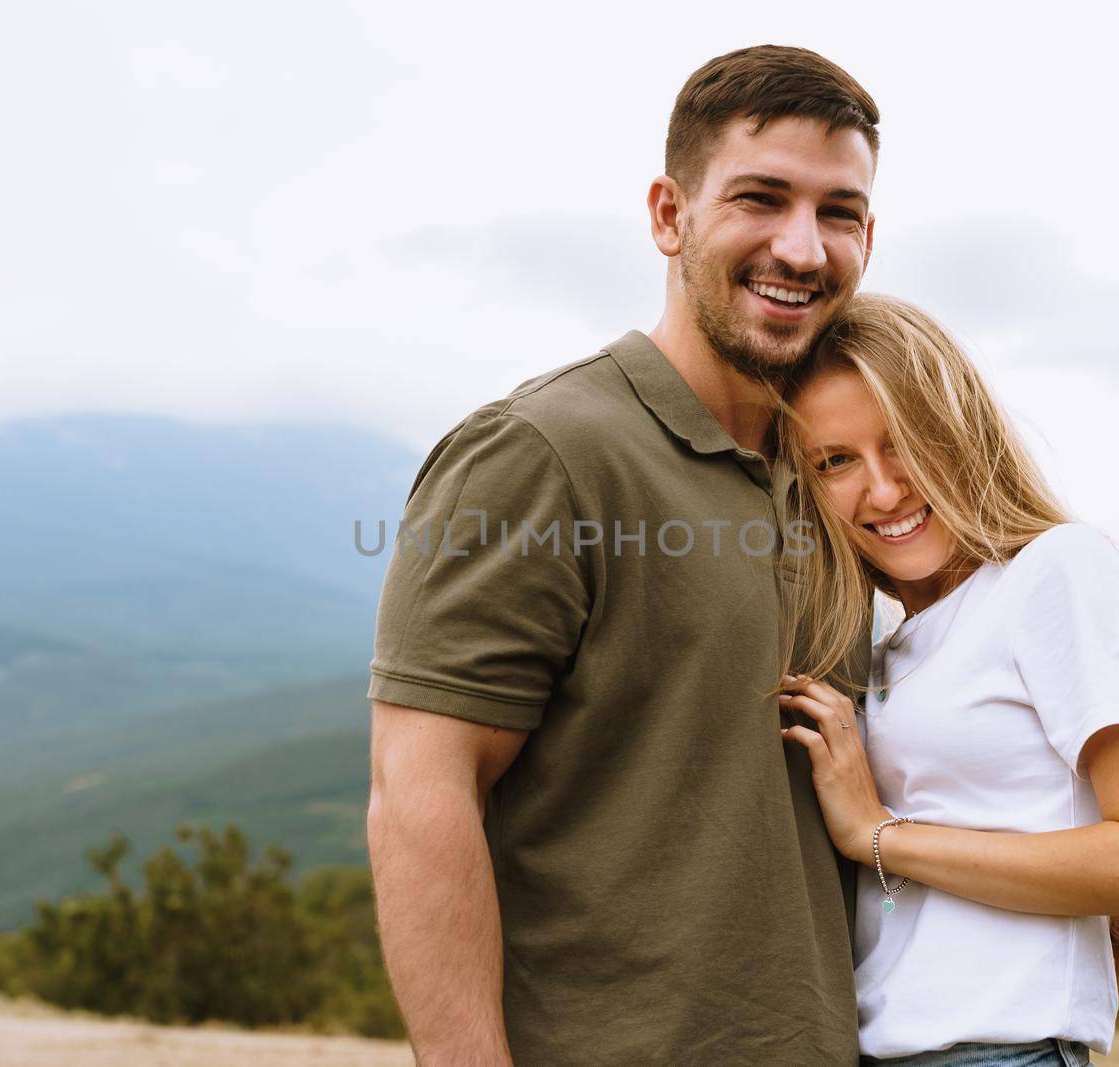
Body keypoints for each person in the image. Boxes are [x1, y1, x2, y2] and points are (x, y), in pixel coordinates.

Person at [367, 46, 880, 1065]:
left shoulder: (835, 481)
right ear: (667, 214)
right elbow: (422, 797)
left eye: (837, 212)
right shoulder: (542, 452)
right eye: (760, 197)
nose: (802, 246)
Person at [775, 293, 1119, 1066]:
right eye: (836, 461)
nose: (882, 491)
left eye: (904, 442)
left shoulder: (1056, 570)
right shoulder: (883, 646)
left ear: (960, 433)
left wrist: (880, 835)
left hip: (999, 1050)